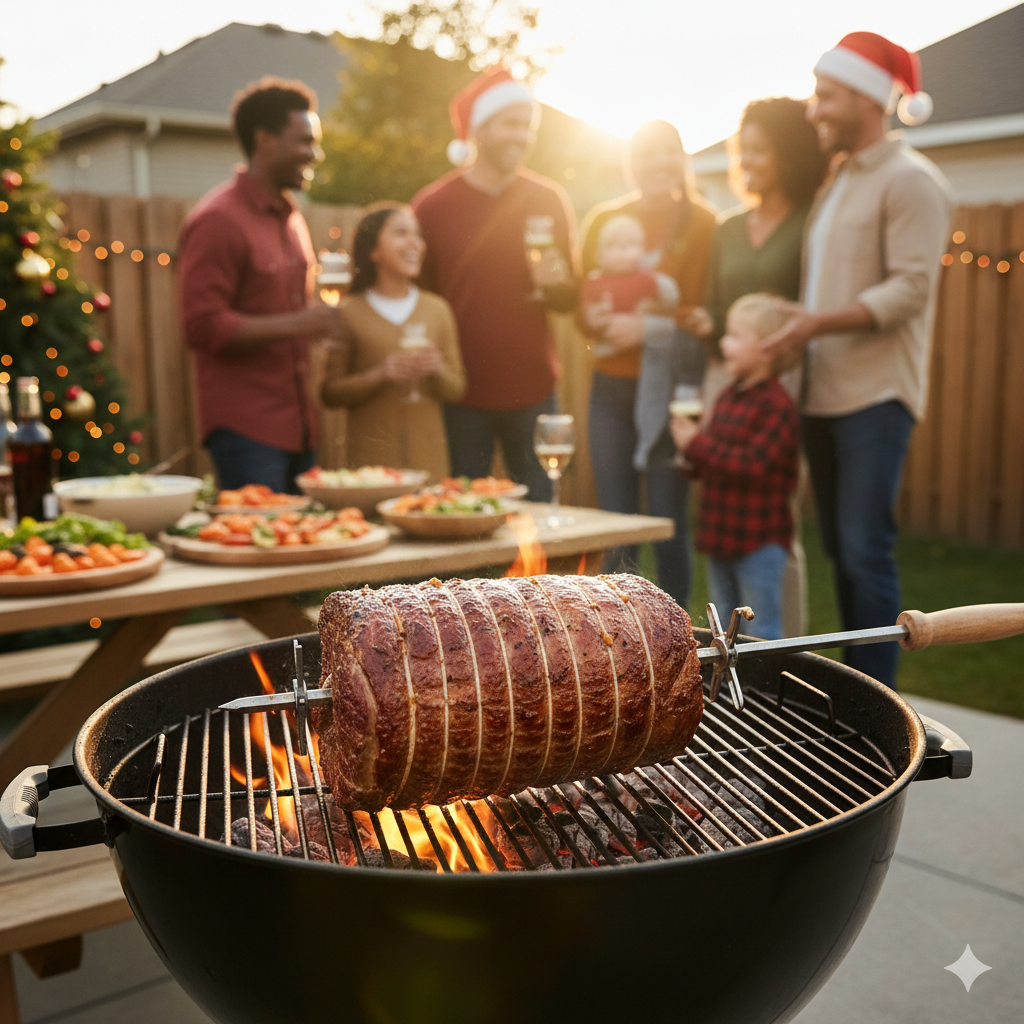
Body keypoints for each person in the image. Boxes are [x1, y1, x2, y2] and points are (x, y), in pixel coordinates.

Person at [761, 32, 953, 686]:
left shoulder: (912, 181)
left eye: (826, 96)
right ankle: (860, 693)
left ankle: (878, 710)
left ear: (869, 101)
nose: (813, 110)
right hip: (823, 391)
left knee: (867, 554)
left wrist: (816, 323)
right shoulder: (839, 179)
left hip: (876, 397)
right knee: (841, 551)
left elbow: (911, 288)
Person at [687, 97, 829, 636]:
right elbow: (716, 301)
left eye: (761, 149)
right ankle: (732, 650)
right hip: (725, 374)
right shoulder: (727, 228)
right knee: (724, 502)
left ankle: (780, 649)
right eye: (742, 148)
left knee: (773, 519)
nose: (747, 159)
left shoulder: (810, 223)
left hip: (783, 376)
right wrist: (708, 323)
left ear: (789, 154)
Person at [413, 67, 577, 502]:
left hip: (534, 389)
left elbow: (568, 299)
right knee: (470, 523)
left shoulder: (548, 200)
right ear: (479, 130)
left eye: (527, 126)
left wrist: (556, 284)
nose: (521, 136)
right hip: (461, 393)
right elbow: (418, 301)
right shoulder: (432, 206)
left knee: (542, 520)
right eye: (511, 123)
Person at [578, 120, 716, 608]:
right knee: (617, 524)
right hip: (610, 392)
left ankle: (675, 633)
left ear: (682, 159)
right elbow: (585, 301)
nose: (659, 163)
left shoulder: (702, 223)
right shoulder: (604, 220)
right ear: (630, 161)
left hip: (669, 397)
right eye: (647, 153)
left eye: (669, 152)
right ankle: (619, 640)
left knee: (666, 519)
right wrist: (593, 320)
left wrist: (646, 329)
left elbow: (702, 313)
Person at [178, 77, 339, 494]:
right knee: (264, 549)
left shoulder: (291, 217)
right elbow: (201, 326)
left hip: (301, 427)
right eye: (305, 141)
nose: (315, 154)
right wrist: (302, 324)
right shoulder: (218, 220)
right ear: (265, 139)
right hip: (247, 432)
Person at [671, 294, 799, 641]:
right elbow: (717, 461)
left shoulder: (776, 405)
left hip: (758, 542)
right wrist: (689, 457)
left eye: (735, 336)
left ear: (768, 347)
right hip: (720, 537)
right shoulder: (728, 396)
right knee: (723, 630)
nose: (724, 343)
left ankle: (766, 691)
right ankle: (728, 692)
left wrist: (696, 444)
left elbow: (750, 466)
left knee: (759, 630)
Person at [320, 204, 465, 479]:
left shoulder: (437, 309)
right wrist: (381, 374)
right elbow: (329, 393)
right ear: (373, 250)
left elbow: (457, 387)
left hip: (429, 466)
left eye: (417, 235)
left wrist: (436, 368)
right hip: (371, 471)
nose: (416, 244)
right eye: (401, 233)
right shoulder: (348, 312)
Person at [580, 215, 679, 361]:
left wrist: (649, 309)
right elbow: (584, 311)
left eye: (631, 244)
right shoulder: (594, 281)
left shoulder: (646, 278)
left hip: (642, 358)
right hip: (606, 359)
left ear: (643, 251)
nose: (622, 250)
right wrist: (592, 317)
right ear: (599, 255)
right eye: (613, 244)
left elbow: (667, 299)